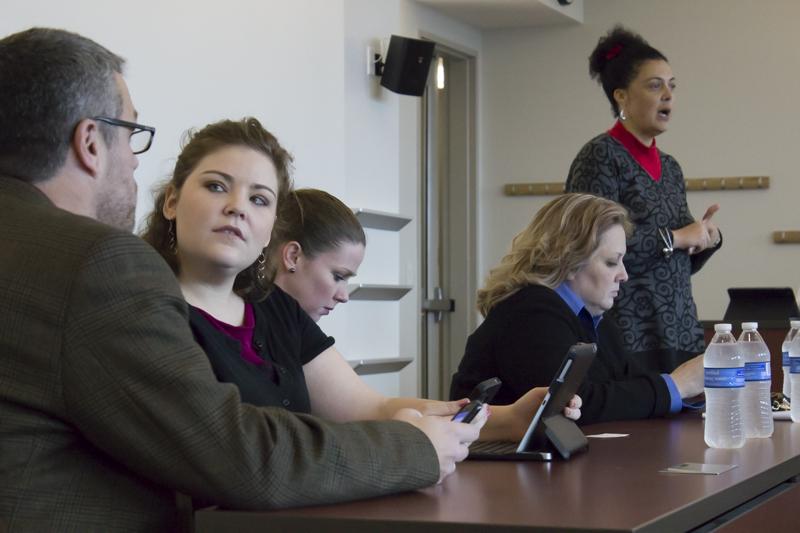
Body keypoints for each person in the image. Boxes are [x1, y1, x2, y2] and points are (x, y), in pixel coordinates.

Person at [0, 28, 479, 532]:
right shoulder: (99, 263)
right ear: (92, 143)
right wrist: (414, 448)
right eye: (131, 134)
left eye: (259, 198)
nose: (134, 161)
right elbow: (239, 457)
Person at [141, 150, 577, 442]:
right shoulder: (151, 311)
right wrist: (413, 442)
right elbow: (250, 449)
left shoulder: (279, 313)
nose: (237, 210)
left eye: (258, 199)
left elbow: (372, 407)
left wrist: (509, 418)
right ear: (173, 202)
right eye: (216, 187)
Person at [449, 193, 705, 425]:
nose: (624, 275)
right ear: (569, 261)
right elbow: (575, 404)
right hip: (493, 468)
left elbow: (628, 385)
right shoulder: (530, 313)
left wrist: (691, 388)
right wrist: (678, 385)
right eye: (611, 262)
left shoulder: (592, 317)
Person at [565, 26, 721, 374]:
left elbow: (674, 258)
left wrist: (705, 238)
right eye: (655, 86)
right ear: (621, 96)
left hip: (678, 329)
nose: (668, 95)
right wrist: (679, 237)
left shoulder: (670, 166)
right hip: (626, 331)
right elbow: (589, 247)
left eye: (672, 86)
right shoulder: (600, 156)